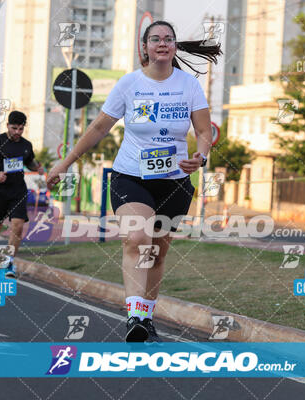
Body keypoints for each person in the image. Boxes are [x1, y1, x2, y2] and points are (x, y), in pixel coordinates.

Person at [47, 20, 221, 342]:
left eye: (169, 38)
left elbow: (203, 131)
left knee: (156, 251)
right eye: (155, 39)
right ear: (145, 47)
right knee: (137, 238)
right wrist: (64, 163)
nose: (162, 43)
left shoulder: (189, 85)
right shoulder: (129, 84)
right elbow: (98, 129)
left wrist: (201, 157)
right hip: (131, 176)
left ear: (174, 46)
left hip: (175, 180)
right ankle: (134, 317)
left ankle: (146, 317)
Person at [0, 111, 44, 278]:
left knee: (18, 225)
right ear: (7, 126)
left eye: (21, 129)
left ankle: (7, 263)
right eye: (14, 128)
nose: (17, 132)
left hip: (17, 190)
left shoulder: (26, 145)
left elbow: (29, 162)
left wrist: (37, 167)